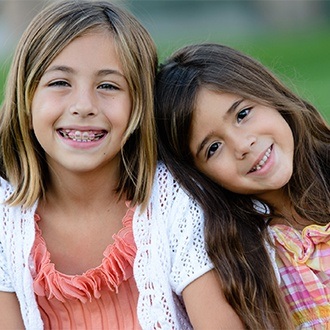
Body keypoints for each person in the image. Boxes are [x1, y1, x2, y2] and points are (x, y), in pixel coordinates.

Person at [0, 2, 244, 329]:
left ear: (138, 107)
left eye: (108, 86)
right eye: (60, 83)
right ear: (26, 101)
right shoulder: (5, 221)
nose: (84, 106)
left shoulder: (177, 205)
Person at [155, 42, 330, 329]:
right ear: (200, 176)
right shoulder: (243, 256)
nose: (242, 146)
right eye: (212, 148)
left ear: (268, 94)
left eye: (242, 114)